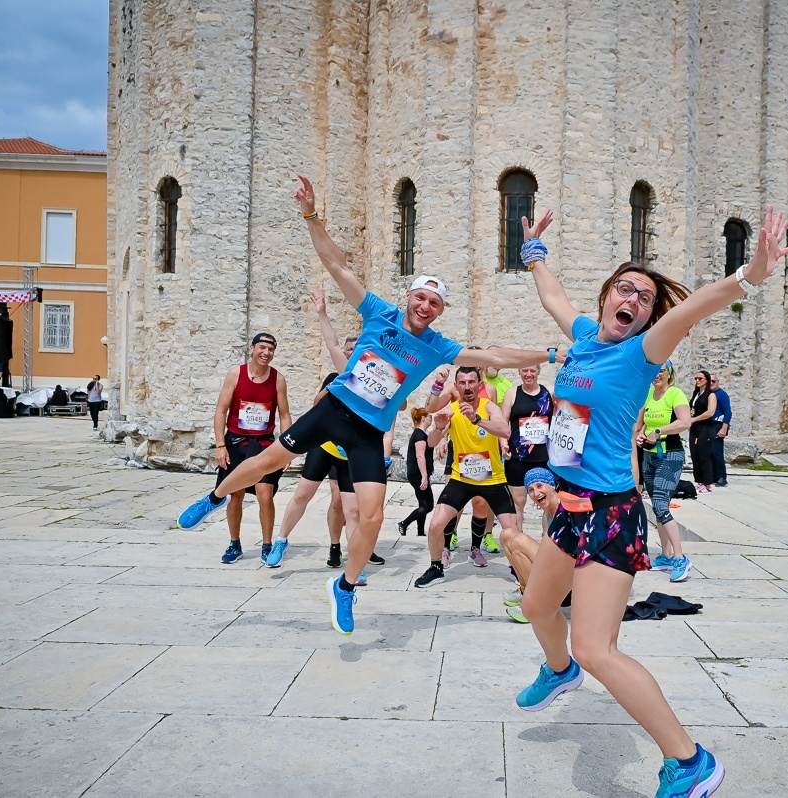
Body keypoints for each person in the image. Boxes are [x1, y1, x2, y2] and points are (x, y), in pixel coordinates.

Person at [178, 175, 551, 635]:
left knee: (372, 518)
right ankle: (213, 499)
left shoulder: (438, 346)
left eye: (434, 303)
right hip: (333, 410)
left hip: (368, 432)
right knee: (266, 461)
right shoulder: (378, 312)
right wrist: (311, 215)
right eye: (421, 297)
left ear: (440, 311)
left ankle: (346, 586)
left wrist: (551, 355)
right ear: (408, 297)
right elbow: (336, 265)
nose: (425, 306)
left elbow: (495, 357)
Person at [518, 203, 788, 798]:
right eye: (625, 289)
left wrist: (752, 275)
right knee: (537, 605)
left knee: (596, 646)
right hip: (567, 504)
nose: (634, 299)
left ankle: (689, 761)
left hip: (611, 515)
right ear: (605, 298)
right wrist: (533, 251)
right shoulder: (584, 337)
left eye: (644, 298)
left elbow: (696, 307)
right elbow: (553, 297)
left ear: (649, 316)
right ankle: (559, 671)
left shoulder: (641, 352)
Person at [264, 290, 384, 573]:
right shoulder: (335, 377)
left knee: (352, 510)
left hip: (349, 454)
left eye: (356, 350)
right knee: (302, 495)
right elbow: (317, 402)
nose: (351, 353)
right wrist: (334, 388)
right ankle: (281, 541)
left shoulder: (370, 382)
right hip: (325, 448)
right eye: (349, 350)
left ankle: (355, 562)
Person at [414, 366, 519, 587]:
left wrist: (476, 419)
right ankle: (436, 568)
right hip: (461, 479)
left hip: (493, 480)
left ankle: (517, 568)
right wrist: (438, 429)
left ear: (480, 385)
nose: (467, 387)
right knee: (435, 525)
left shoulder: (488, 406)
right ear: (456, 386)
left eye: (471, 382)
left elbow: (505, 430)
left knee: (512, 531)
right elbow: (431, 442)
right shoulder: (451, 410)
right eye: (462, 383)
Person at [212, 333, 292, 565]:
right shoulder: (235, 374)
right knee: (234, 495)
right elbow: (221, 410)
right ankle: (234, 544)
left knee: (265, 495)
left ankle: (267, 546)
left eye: (270, 349)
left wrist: (287, 449)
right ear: (252, 348)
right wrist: (220, 445)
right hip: (236, 443)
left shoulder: (278, 379)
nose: (266, 353)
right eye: (262, 348)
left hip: (264, 445)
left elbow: (285, 415)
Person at [634, 361, 694, 582]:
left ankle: (680, 558)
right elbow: (640, 425)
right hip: (649, 456)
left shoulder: (675, 394)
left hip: (670, 455)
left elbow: (685, 422)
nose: (657, 376)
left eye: (661, 371)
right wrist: (641, 434)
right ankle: (666, 556)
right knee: (659, 506)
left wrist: (659, 431)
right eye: (653, 372)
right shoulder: (649, 395)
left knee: (659, 504)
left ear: (669, 373)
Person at [500, 466, 559, 624]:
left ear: (552, 485)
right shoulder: (549, 510)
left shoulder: (564, 509)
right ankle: (525, 591)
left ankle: (537, 605)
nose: (536, 493)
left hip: (568, 576)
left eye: (540, 486)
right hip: (556, 563)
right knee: (507, 535)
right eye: (531, 490)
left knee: (519, 543)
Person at [501, 363, 554, 529]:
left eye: (532, 370)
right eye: (524, 370)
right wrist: (503, 443)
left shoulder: (549, 392)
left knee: (548, 503)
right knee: (518, 503)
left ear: (538, 371)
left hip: (544, 457)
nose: (528, 374)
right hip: (517, 457)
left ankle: (547, 539)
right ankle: (518, 539)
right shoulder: (512, 393)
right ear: (519, 371)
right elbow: (502, 423)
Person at [397, 407, 435, 537]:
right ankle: (404, 523)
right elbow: (420, 456)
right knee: (428, 505)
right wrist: (424, 476)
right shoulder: (419, 435)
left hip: (417, 473)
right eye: (430, 416)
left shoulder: (420, 434)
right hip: (418, 473)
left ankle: (420, 531)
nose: (431, 419)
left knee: (423, 503)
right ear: (423, 418)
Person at [688, 371, 717, 493]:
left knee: (704, 455)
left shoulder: (711, 395)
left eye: (700, 378)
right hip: (695, 427)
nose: (698, 381)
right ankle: (699, 481)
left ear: (706, 380)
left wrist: (695, 419)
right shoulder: (696, 394)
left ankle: (707, 482)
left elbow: (710, 412)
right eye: (696, 378)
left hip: (705, 427)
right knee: (695, 455)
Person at [710, 374, 731, 487]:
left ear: (717, 382)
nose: (711, 383)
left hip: (718, 425)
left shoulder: (722, 395)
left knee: (717, 452)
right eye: (709, 381)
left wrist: (724, 428)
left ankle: (722, 477)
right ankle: (714, 476)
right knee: (709, 452)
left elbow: (728, 412)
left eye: (713, 381)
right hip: (709, 425)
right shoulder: (708, 394)